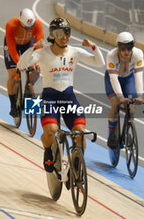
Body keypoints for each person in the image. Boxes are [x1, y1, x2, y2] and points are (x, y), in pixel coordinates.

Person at [17, 18, 105, 172]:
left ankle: (76, 169)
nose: (64, 36)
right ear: (52, 35)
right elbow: (21, 65)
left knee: (81, 133)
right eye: (59, 33)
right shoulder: (43, 53)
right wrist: (32, 47)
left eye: (67, 32)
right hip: (50, 98)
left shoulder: (75, 52)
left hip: (69, 98)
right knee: (51, 130)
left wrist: (94, 47)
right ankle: (48, 151)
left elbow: (99, 63)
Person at [104, 32, 144, 148]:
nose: (126, 52)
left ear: (133, 46)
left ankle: (128, 130)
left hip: (128, 79)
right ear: (118, 47)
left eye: (129, 48)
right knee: (116, 104)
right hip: (113, 79)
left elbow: (138, 76)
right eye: (122, 48)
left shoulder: (138, 54)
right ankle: (112, 134)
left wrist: (140, 96)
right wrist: (121, 97)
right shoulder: (111, 55)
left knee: (131, 107)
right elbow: (113, 79)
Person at [4, 8, 44, 119]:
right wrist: (21, 63)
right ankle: (13, 105)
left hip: (28, 45)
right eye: (26, 27)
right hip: (13, 45)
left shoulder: (38, 24)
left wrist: (36, 62)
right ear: (21, 23)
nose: (28, 29)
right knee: (12, 74)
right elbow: (12, 49)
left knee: (37, 69)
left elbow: (39, 45)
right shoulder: (11, 25)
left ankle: (28, 88)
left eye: (30, 27)